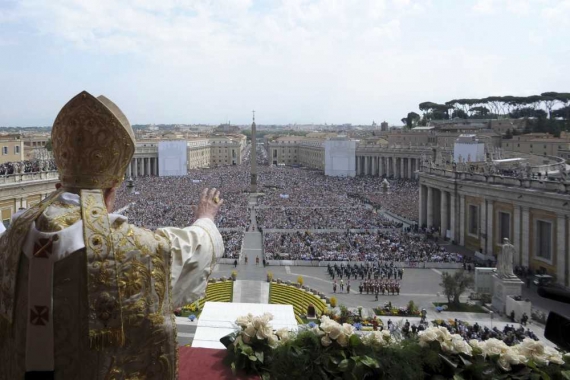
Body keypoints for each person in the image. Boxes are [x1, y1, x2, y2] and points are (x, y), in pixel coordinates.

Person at [0, 92, 225, 380]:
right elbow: (193, 249)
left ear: (58, 185)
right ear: (109, 193)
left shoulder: (10, 239)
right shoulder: (130, 248)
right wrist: (205, 218)